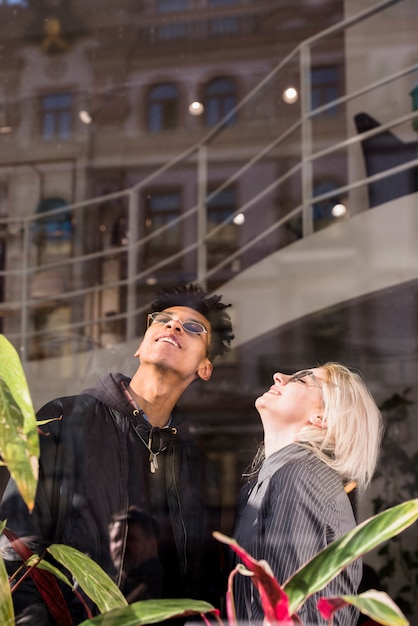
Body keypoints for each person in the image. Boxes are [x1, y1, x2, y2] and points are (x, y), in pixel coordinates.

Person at [0, 283, 234, 625]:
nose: (174, 326)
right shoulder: (64, 418)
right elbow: (17, 548)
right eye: (164, 319)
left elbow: (200, 583)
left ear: (204, 368)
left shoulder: (198, 468)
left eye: (194, 327)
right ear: (140, 347)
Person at [232, 363, 382, 626]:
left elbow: (290, 615)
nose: (279, 376)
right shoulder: (281, 476)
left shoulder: (298, 475)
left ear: (322, 417)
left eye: (301, 380)